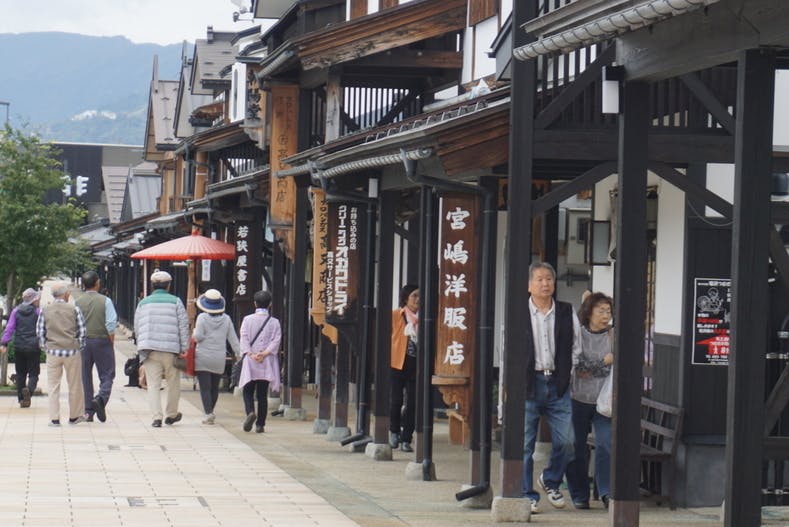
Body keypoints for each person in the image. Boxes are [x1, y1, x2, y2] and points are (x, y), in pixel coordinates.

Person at [521, 262, 582, 514]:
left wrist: (566, 374)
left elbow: (576, 347)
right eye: (539, 279)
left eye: (549, 279)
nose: (545, 283)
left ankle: (550, 479)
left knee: (568, 442)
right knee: (525, 445)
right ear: (529, 285)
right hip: (528, 384)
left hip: (558, 384)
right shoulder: (519, 311)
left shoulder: (566, 311)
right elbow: (507, 349)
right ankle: (526, 495)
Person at [566, 292, 614, 510]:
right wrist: (604, 361)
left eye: (608, 311)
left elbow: (612, 365)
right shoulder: (579, 335)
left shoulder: (613, 336)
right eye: (600, 311)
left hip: (604, 402)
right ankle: (579, 493)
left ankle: (605, 492)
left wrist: (596, 366)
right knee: (576, 446)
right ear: (589, 312)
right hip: (578, 398)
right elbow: (580, 368)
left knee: (606, 444)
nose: (605, 316)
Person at [134, 270, 190, 427]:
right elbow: (183, 326)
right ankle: (171, 414)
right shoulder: (176, 302)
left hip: (149, 349)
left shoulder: (143, 303)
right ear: (168, 285)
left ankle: (156, 418)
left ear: (152, 285)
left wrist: (141, 344)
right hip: (171, 349)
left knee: (153, 384)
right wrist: (184, 347)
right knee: (173, 383)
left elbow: (137, 327)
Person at [36, 283, 87, 426]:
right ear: (65, 294)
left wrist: (45, 347)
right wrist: (79, 346)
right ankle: (74, 416)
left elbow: (40, 331)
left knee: (53, 386)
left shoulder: (45, 310)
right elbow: (82, 331)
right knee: (75, 385)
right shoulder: (74, 309)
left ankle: (54, 419)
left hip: (53, 351)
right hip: (71, 351)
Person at [75, 270, 118, 422]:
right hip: (102, 340)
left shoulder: (77, 302)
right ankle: (101, 398)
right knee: (107, 374)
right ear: (97, 283)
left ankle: (88, 411)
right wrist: (111, 339)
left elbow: (75, 323)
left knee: (85, 375)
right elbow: (111, 323)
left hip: (83, 342)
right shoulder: (105, 300)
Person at [192, 289, 240, 425]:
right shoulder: (227, 319)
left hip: (203, 356)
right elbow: (233, 339)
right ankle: (210, 411)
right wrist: (239, 353)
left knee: (205, 387)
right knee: (214, 387)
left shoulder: (202, 318)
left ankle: (208, 413)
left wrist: (194, 333)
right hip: (219, 357)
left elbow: (198, 337)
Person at [238, 290, 281, 433]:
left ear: (255, 303)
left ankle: (250, 412)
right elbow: (276, 340)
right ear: (270, 304)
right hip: (266, 361)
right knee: (262, 394)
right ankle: (260, 424)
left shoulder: (247, 319)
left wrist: (251, 353)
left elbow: (244, 338)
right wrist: (265, 353)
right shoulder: (274, 322)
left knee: (248, 390)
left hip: (251, 360)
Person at [389, 284, 419, 453]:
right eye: (414, 296)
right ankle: (393, 431)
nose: (417, 299)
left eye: (420, 296)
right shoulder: (396, 315)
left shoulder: (425, 318)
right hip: (397, 362)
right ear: (406, 298)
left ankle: (407, 438)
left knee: (413, 403)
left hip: (416, 364)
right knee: (396, 400)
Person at [1, 288, 42, 408]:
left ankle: (21, 399)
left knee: (20, 374)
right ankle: (29, 390)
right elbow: (43, 327)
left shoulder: (16, 311)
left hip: (19, 346)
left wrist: (4, 343)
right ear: (33, 300)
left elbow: (9, 328)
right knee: (34, 373)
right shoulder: (38, 312)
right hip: (33, 347)